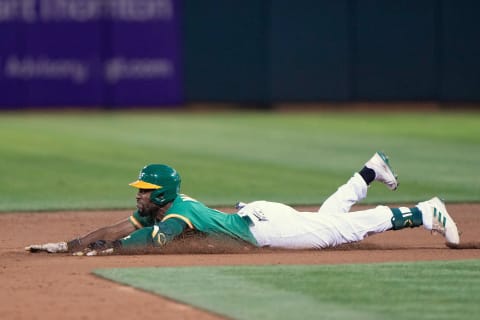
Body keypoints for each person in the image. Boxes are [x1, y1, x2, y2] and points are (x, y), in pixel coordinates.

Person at [25, 151, 460, 256]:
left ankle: (423, 210)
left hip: (265, 228)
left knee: (340, 230)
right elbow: (118, 229)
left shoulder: (175, 214)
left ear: (159, 193)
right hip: (256, 212)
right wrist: (72, 243)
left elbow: (142, 243)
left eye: (143, 189)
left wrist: (97, 251)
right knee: (327, 224)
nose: (138, 194)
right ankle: (368, 170)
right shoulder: (162, 205)